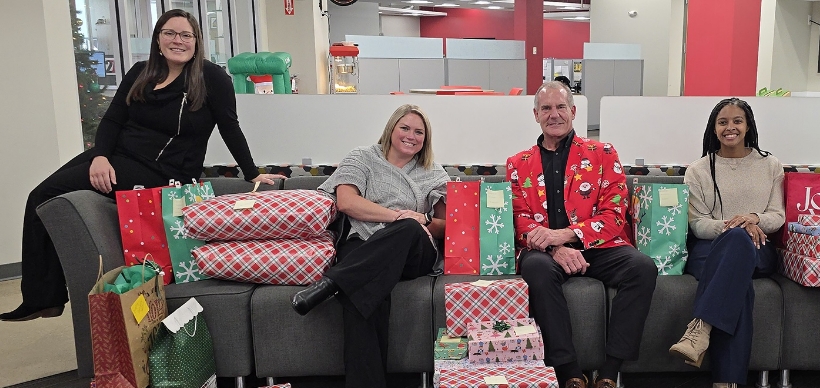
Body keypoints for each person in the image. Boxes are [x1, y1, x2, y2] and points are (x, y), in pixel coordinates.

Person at [0, 9, 284, 322]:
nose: (178, 40)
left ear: (196, 41)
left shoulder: (211, 77)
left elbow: (230, 126)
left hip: (166, 171)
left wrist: (252, 172)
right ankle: (44, 298)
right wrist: (100, 157)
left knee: (46, 196)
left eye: (185, 35)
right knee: (41, 195)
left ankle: (45, 298)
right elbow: (112, 119)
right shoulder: (141, 71)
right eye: (170, 33)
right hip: (120, 156)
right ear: (158, 39)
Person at [506, 81, 657, 388]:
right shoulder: (517, 163)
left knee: (642, 268)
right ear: (535, 114)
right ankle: (568, 370)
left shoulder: (602, 152)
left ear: (573, 112)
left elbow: (615, 214)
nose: (554, 114)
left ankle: (609, 372)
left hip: (599, 246)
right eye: (546, 108)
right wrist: (553, 248)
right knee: (535, 268)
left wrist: (563, 236)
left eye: (560, 107)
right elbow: (519, 220)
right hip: (545, 252)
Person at [290, 104, 448, 388]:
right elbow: (347, 203)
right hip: (363, 243)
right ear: (391, 129)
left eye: (419, 132)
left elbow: (446, 224)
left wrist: (419, 219)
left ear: (426, 139)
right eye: (405, 128)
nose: (411, 136)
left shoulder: (433, 172)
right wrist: (396, 215)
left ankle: (331, 283)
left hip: (413, 250)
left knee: (409, 229)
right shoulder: (362, 157)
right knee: (364, 294)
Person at [668, 98, 783, 388]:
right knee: (737, 280)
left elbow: (777, 215)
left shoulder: (770, 165)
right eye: (723, 122)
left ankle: (701, 325)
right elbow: (696, 223)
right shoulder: (699, 170)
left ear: (748, 125)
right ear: (714, 128)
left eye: (737, 121)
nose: (730, 127)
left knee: (739, 249)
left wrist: (753, 219)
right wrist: (735, 226)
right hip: (711, 248)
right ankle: (727, 382)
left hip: (760, 247)